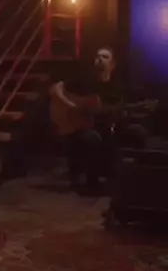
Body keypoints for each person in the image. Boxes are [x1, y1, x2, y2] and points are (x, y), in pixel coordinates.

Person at [49, 45, 149, 195]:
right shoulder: (83, 80)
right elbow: (55, 88)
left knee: (138, 132)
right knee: (93, 137)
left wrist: (125, 112)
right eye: (98, 56)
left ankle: (139, 178)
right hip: (84, 127)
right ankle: (92, 180)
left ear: (112, 64)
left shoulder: (117, 86)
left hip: (108, 125)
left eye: (105, 57)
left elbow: (117, 111)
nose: (100, 59)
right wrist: (71, 105)